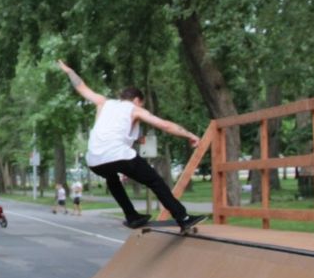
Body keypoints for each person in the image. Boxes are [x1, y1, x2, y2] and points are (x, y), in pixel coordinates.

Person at [57, 60, 204, 231]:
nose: (141, 108)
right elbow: (165, 125)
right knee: (155, 181)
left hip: (95, 160)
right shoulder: (134, 109)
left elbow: (81, 87)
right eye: (141, 104)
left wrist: (69, 71)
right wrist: (189, 135)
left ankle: (132, 216)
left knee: (112, 179)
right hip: (118, 155)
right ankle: (183, 217)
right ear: (136, 100)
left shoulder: (103, 103)